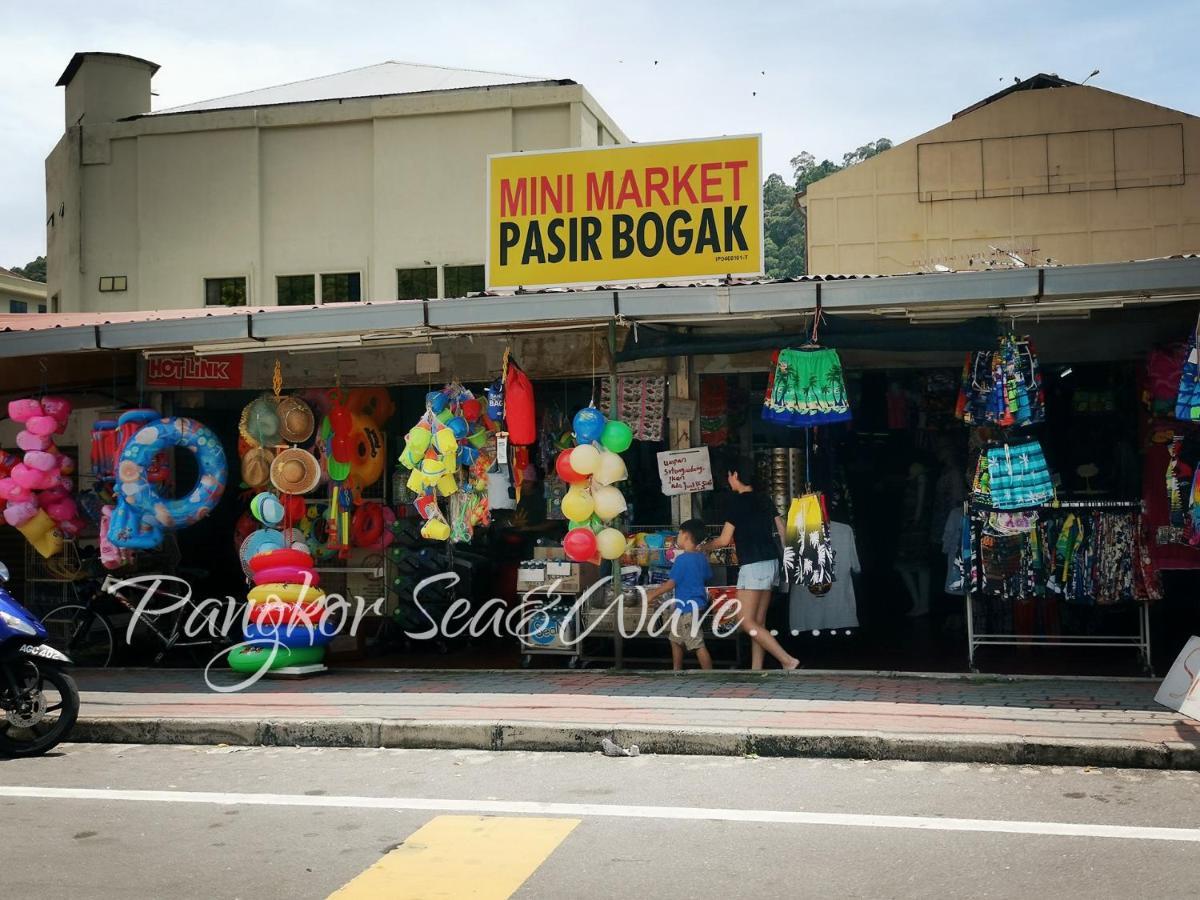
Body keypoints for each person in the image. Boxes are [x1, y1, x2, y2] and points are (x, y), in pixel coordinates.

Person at [698, 459, 800, 671]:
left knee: (745, 621)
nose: (728, 479)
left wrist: (704, 548)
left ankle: (787, 660)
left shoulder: (736, 503)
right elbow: (782, 529)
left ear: (735, 475)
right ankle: (756, 669)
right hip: (771, 563)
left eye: (729, 475)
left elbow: (725, 540)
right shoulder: (764, 499)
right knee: (758, 622)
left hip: (753, 565)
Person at [645, 519, 714, 671]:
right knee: (675, 639)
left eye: (679, 534)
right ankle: (676, 671)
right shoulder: (702, 558)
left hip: (689, 607)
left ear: (686, 536)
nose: (677, 537)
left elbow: (671, 583)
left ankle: (710, 674)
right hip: (688, 606)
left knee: (696, 643)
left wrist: (652, 594)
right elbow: (707, 576)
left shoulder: (682, 559)